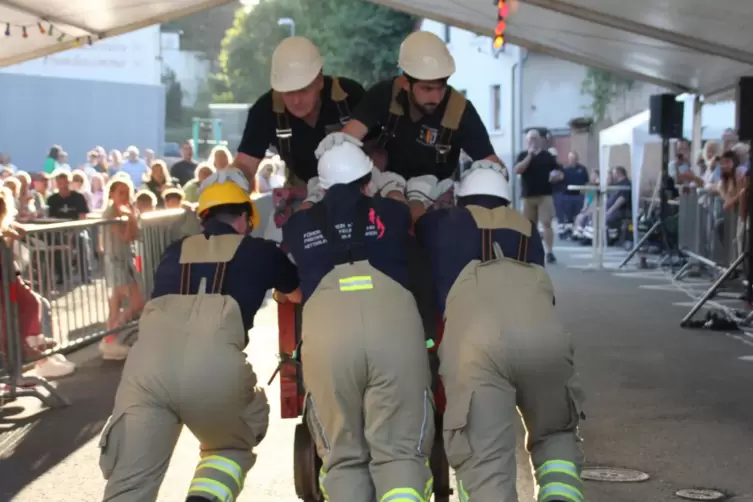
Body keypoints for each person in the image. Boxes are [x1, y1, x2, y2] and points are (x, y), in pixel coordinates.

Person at [99, 168, 301, 502]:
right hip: (214, 371)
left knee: (129, 486)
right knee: (230, 444)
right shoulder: (261, 251)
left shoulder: (173, 251)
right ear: (245, 220)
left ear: (203, 219)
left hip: (146, 371)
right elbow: (298, 294)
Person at [414, 160, 585, 502]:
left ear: (461, 198)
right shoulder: (528, 229)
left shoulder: (442, 224)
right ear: (506, 200)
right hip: (546, 340)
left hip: (479, 349)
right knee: (554, 434)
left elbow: (412, 227)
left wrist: (418, 194)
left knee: (486, 460)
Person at [281, 142, 434, 502]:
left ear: (323, 186)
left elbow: (300, 223)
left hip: (329, 341)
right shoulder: (392, 215)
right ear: (368, 182)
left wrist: (313, 199)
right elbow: (407, 212)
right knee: (399, 450)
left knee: (344, 457)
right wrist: (396, 186)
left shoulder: (300, 225)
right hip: (392, 335)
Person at [332, 30, 506, 183]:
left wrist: (492, 175)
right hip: (384, 195)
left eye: (442, 87)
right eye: (427, 88)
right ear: (405, 83)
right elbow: (347, 139)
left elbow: (493, 165)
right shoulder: (384, 95)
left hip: (437, 204)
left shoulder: (459, 110)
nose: (437, 98)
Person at [235, 36, 365, 191]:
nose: (296, 101)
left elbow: (376, 150)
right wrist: (233, 176)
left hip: (354, 189)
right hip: (301, 192)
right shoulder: (265, 110)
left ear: (320, 80)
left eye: (304, 90)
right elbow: (246, 164)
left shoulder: (349, 97)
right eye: (288, 93)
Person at [514, 129, 563, 263]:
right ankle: (529, 251)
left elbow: (558, 171)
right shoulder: (522, 155)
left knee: (546, 223)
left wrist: (556, 176)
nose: (532, 141)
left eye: (535, 139)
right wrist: (529, 156)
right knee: (528, 226)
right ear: (526, 141)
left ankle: (549, 251)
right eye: (530, 139)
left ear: (540, 140)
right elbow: (518, 170)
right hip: (528, 196)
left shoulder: (547, 156)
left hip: (545, 195)